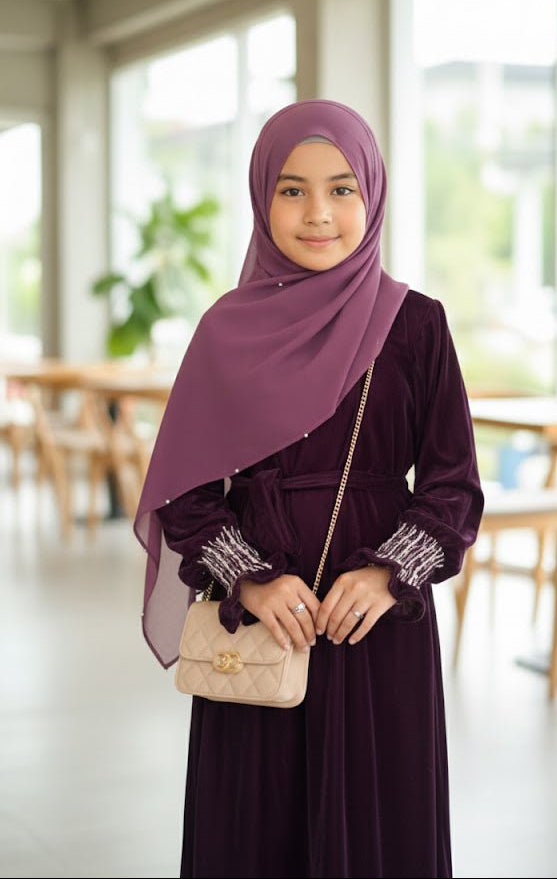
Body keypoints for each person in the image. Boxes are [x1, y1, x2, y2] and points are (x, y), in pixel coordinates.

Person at [134, 98, 484, 879]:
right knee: (255, 831)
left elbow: (453, 485)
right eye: (291, 190)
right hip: (260, 627)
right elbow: (184, 491)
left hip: (373, 629)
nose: (317, 213)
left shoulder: (417, 325)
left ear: (371, 194)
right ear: (262, 199)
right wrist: (249, 580)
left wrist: (387, 572)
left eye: (340, 189)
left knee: (378, 827)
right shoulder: (226, 330)